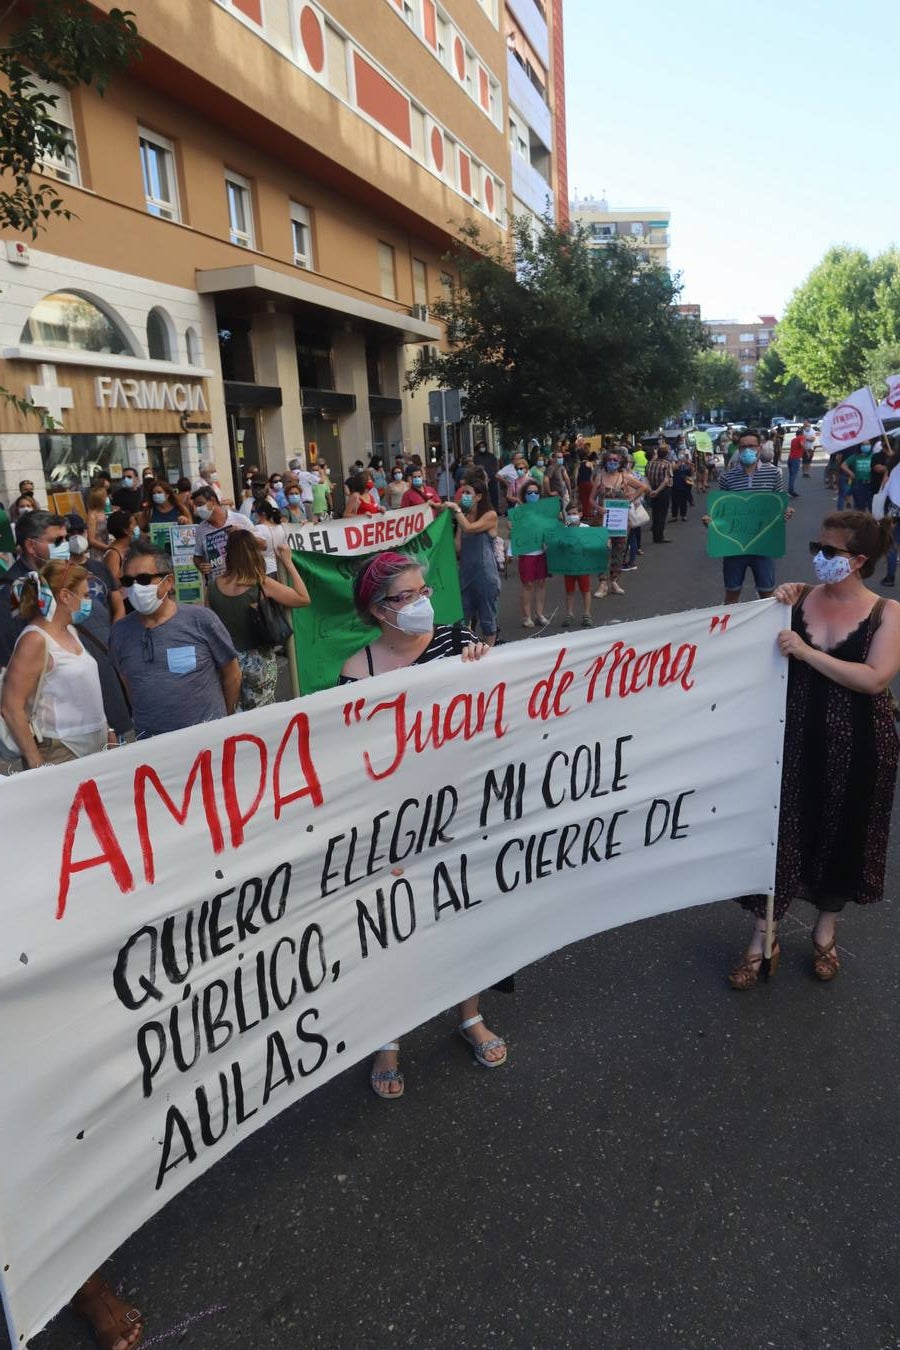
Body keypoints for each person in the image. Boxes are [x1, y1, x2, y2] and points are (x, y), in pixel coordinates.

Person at [0, 560, 142, 1349]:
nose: (95, 594)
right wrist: (35, 772)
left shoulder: (74, 636)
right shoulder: (32, 638)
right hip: (52, 781)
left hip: (86, 770)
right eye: (82, 584)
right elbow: (16, 707)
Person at [337, 550, 503, 1097]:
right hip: (396, 824)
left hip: (466, 809)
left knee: (468, 916)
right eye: (405, 597)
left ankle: (469, 1016)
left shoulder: (460, 643)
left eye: (422, 591)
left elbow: (500, 716)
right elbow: (353, 762)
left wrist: (490, 664)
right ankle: (388, 1039)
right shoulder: (357, 671)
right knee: (395, 931)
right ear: (378, 611)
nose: (420, 603)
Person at [729, 511, 900, 988]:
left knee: (841, 837)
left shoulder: (887, 613)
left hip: (860, 746)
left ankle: (825, 932)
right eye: (815, 549)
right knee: (776, 833)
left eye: (830, 552)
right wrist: (775, 604)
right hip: (790, 740)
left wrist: (806, 653)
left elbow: (874, 679)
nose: (819, 557)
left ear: (859, 560)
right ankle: (765, 935)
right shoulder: (798, 597)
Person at [109, 541, 241, 739]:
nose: (136, 588)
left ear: (168, 582)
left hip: (207, 742)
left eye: (144, 580)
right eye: (128, 582)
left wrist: (223, 719)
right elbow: (129, 684)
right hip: (152, 747)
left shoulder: (201, 620)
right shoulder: (119, 633)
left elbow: (232, 674)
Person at [1, 558, 109, 768]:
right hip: (61, 751)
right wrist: (38, 765)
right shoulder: (34, 640)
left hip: (95, 746)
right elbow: (11, 707)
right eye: (85, 595)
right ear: (65, 596)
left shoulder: (70, 631)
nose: (89, 601)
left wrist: (108, 730)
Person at [208, 531, 309, 709]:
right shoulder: (260, 583)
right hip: (259, 660)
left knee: (230, 712)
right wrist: (288, 562)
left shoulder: (212, 587)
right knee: (262, 714)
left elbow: (207, 626)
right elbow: (302, 598)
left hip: (226, 662)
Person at [703, 429, 794, 604]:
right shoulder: (727, 477)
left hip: (763, 543)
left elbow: (779, 505)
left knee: (767, 595)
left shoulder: (774, 473)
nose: (747, 450)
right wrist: (711, 521)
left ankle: (767, 629)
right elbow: (721, 509)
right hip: (734, 546)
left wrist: (785, 512)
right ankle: (731, 629)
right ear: (738, 448)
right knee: (732, 593)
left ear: (760, 448)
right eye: (743, 447)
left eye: (751, 446)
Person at [65, 513, 132, 743]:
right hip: (81, 646)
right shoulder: (61, 573)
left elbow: (117, 603)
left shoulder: (100, 568)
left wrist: (115, 631)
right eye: (70, 534)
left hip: (106, 643)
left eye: (80, 532)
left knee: (117, 696)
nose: (76, 538)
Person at [444, 474, 501, 645]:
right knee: (462, 620)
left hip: (485, 576)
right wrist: (447, 527)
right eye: (462, 493)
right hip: (466, 575)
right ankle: (465, 651)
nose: (463, 496)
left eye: (468, 493)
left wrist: (457, 510)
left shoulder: (490, 515)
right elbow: (458, 547)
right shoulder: (464, 516)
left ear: (479, 496)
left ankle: (490, 655)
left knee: (487, 621)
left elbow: (469, 528)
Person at [589, 448, 648, 597]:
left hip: (621, 521)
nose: (613, 462)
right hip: (602, 521)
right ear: (605, 461)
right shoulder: (600, 477)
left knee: (619, 550)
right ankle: (602, 583)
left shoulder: (624, 476)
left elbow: (643, 487)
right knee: (602, 550)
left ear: (620, 462)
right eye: (610, 460)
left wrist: (631, 499)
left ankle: (614, 581)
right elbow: (590, 499)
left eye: (616, 460)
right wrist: (598, 508)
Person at [191, 486, 265, 580]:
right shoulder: (200, 529)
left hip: (244, 581)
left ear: (213, 501)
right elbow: (197, 557)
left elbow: (263, 545)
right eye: (196, 506)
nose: (197, 509)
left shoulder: (240, 519)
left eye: (200, 504)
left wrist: (242, 533)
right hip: (218, 585)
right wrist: (201, 566)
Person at [514, 478, 549, 628]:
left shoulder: (544, 510)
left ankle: (539, 614)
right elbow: (514, 530)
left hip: (542, 552)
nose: (533, 495)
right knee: (528, 584)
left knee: (541, 583)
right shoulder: (519, 510)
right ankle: (526, 616)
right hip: (527, 553)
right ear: (524, 495)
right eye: (529, 493)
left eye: (536, 492)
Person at [559, 503, 595, 629]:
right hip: (569, 566)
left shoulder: (586, 528)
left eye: (574, 514)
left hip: (583, 565)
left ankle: (587, 614)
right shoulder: (564, 529)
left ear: (580, 514)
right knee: (569, 591)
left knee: (585, 590)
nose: (571, 516)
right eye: (569, 514)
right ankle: (569, 613)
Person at [644, 442, 673, 543]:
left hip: (652, 488)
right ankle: (660, 536)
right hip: (663, 490)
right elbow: (666, 480)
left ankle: (655, 535)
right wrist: (657, 491)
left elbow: (646, 478)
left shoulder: (650, 463)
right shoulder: (667, 464)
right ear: (666, 454)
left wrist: (651, 490)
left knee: (655, 513)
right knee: (662, 513)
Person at [250, 499, 287, 576]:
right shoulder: (281, 528)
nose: (251, 515)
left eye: (253, 512)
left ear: (262, 514)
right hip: (281, 569)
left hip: (266, 570)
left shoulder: (258, 529)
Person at [101, 509, 139, 585]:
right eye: (134, 525)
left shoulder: (132, 547)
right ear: (125, 530)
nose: (137, 527)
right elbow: (113, 584)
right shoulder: (113, 554)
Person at [839, 442, 875, 512]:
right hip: (859, 483)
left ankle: (872, 522)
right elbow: (843, 465)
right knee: (860, 507)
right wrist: (850, 473)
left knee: (872, 506)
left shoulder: (873, 456)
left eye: (868, 444)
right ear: (860, 446)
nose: (866, 446)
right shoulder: (855, 456)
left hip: (871, 483)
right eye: (863, 445)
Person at [84, 485, 111, 558]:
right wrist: (108, 548)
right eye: (105, 496)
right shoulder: (92, 516)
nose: (107, 498)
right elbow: (91, 540)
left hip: (106, 548)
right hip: (98, 552)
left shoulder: (102, 512)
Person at [473, 440, 500, 511]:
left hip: (492, 479)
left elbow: (495, 466)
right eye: (480, 447)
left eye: (483, 446)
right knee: (482, 495)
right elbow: (475, 468)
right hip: (480, 480)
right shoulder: (476, 458)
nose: (482, 448)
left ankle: (495, 509)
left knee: (493, 495)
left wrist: (493, 475)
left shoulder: (491, 456)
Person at [670, 454, 694, 521]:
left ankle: (683, 515)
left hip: (685, 486)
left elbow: (692, 474)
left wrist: (690, 465)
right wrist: (679, 463)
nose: (683, 460)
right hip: (675, 485)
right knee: (674, 502)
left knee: (683, 502)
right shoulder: (675, 464)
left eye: (683, 458)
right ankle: (674, 516)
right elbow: (672, 470)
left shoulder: (687, 465)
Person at [787, 428, 804, 497]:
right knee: (793, 475)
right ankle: (791, 490)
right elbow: (801, 443)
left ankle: (790, 489)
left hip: (790, 458)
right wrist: (807, 450)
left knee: (791, 475)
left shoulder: (793, 440)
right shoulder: (801, 437)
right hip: (795, 459)